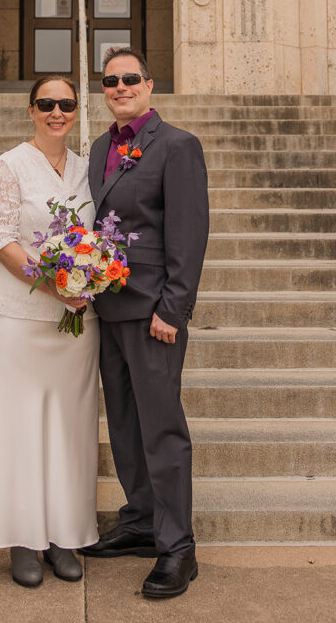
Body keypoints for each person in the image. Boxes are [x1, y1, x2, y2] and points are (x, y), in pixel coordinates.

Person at [0, 76, 100, 587]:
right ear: (31, 110)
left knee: (69, 429)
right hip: (18, 319)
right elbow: (0, 239)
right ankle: (22, 539)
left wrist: (91, 277)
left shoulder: (89, 170)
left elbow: (99, 237)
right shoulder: (9, 166)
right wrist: (53, 285)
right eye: (47, 104)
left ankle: (64, 536)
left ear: (76, 110)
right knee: (18, 428)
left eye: (66, 104)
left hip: (75, 328)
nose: (57, 112)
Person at [82, 47, 208, 599]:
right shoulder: (100, 147)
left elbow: (188, 232)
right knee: (126, 425)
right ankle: (138, 521)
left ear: (150, 84)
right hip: (109, 305)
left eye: (130, 78)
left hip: (154, 310)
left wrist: (172, 309)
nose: (120, 87)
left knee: (161, 428)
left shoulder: (177, 146)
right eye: (110, 81)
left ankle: (178, 547)